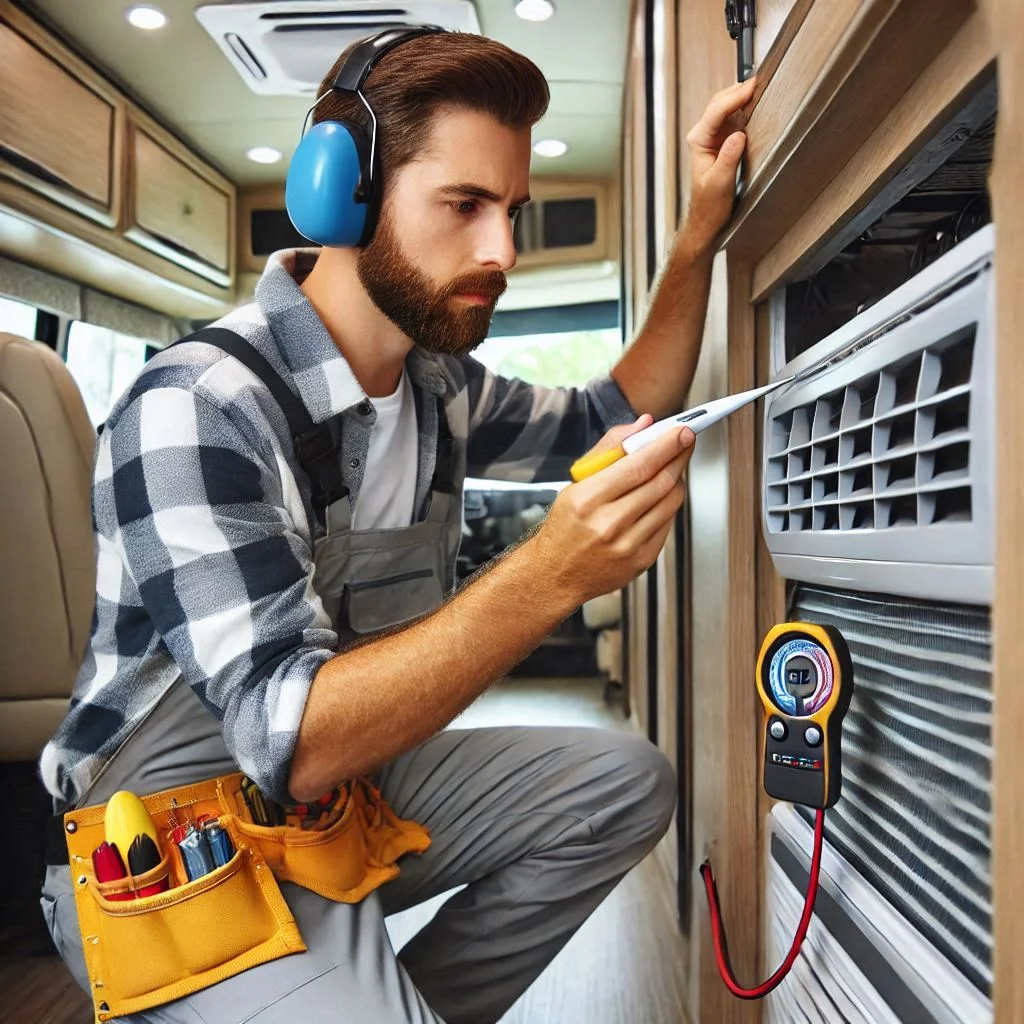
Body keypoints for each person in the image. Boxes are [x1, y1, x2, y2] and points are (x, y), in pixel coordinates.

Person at [39, 27, 754, 1024]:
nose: (501, 250)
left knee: (623, 782)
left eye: (511, 211)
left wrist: (697, 235)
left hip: (342, 810)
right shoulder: (199, 406)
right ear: (343, 196)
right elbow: (290, 739)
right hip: (172, 849)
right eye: (462, 206)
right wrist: (548, 574)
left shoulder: (438, 386)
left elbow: (611, 410)